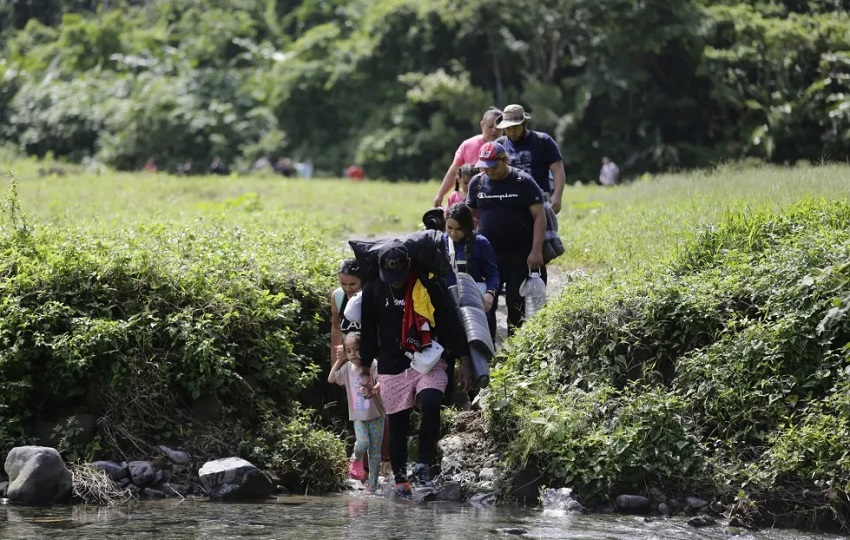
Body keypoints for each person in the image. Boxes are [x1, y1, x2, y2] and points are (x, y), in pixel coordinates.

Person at [360, 240, 471, 496]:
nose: (396, 282)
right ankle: (400, 479)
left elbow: (451, 320)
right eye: (391, 277)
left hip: (428, 357)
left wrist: (464, 358)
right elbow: (368, 330)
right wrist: (365, 369)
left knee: (431, 401)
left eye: (400, 276)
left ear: (409, 264)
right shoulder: (374, 289)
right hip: (391, 364)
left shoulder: (429, 286)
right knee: (398, 422)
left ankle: (422, 464)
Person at [467, 141, 546, 335]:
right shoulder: (476, 183)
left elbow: (540, 217)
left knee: (515, 303)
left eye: (493, 167)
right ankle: (489, 352)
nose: (489, 172)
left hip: (520, 255)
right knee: (486, 304)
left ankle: (516, 351)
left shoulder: (523, 182)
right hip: (488, 256)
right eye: (485, 167)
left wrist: (536, 250)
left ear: (505, 160)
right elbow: (468, 217)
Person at [328, 332, 385, 492]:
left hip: (377, 415)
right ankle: (355, 458)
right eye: (349, 351)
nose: (353, 354)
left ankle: (372, 486)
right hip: (358, 416)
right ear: (345, 353)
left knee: (375, 452)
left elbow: (381, 379)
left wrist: (375, 387)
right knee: (363, 443)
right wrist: (339, 360)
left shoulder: (372, 364)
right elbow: (331, 378)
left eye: (357, 349)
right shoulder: (347, 368)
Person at [495, 104, 566, 214]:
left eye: (515, 127)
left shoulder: (542, 141)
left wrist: (557, 196)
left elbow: (558, 170)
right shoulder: (499, 145)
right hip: (509, 203)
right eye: (508, 129)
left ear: (524, 124)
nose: (512, 132)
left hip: (540, 201)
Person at [443, 203, 500, 341]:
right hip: (450, 304)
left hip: (476, 303)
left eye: (458, 229)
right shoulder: (441, 242)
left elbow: (493, 274)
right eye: (449, 228)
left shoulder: (481, 243)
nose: (453, 233)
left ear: (468, 226)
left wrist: (490, 294)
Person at [433, 107, 502, 207]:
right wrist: (440, 194)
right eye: (490, 127)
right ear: (482, 125)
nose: (494, 130)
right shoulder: (468, 145)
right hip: (469, 200)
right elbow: (453, 172)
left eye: (498, 127)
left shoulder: (507, 146)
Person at [330, 259, 362, 364]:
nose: (348, 289)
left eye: (352, 284)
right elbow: (336, 328)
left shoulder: (370, 296)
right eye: (343, 284)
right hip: (349, 359)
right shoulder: (337, 296)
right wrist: (335, 363)